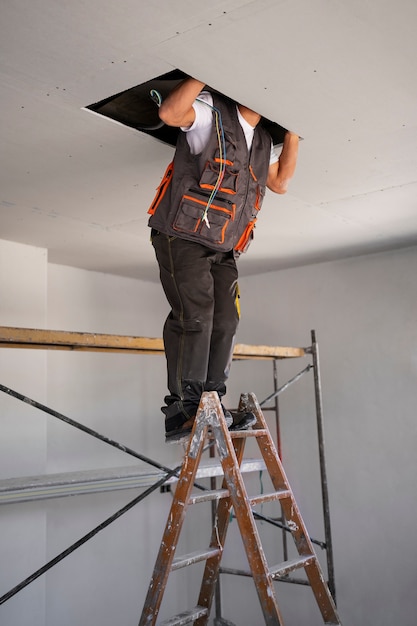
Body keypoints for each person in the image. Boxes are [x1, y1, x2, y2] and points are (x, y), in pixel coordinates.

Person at [148, 77, 299, 443]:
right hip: (181, 234)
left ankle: (212, 404)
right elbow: (169, 113)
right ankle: (182, 409)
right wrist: (205, 73)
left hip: (224, 244)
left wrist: (295, 131)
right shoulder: (209, 110)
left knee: (227, 321)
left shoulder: (262, 140)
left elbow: (280, 182)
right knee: (195, 316)